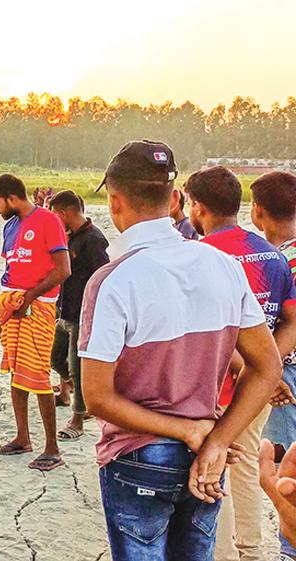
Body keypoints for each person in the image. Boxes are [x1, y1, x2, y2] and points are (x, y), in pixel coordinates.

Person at [80, 140, 281, 561]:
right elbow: (267, 367)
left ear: (115, 203)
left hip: (138, 456)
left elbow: (97, 397)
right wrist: (217, 439)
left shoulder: (112, 281)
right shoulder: (223, 266)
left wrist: (185, 430)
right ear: (174, 199)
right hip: (205, 453)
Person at [185, 166, 296, 561]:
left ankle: (225, 554)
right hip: (261, 383)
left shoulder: (200, 256)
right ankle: (251, 548)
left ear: (196, 206)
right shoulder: (272, 254)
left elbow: (209, 326)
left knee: (215, 466)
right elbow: (290, 320)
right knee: (248, 462)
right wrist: (270, 368)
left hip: (218, 384)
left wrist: (251, 366)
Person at [0, 173, 71, 472]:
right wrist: (10, 306)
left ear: (12, 198)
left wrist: (29, 297)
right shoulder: (10, 226)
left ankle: (52, 448)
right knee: (15, 371)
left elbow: (63, 270)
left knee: (37, 376)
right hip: (15, 306)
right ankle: (23, 437)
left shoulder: (48, 221)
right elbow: (11, 268)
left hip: (39, 307)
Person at [250, 171, 296, 560]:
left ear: (258, 211)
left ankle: (289, 546)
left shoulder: (281, 259)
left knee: (285, 465)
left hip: (288, 372)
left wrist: (272, 369)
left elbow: (287, 321)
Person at [48, 190, 109, 440]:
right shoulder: (68, 237)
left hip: (82, 314)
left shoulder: (93, 240)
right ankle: (71, 393)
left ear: (65, 213)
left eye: (55, 215)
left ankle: (78, 419)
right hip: (64, 309)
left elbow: (103, 276)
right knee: (54, 359)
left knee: (76, 367)